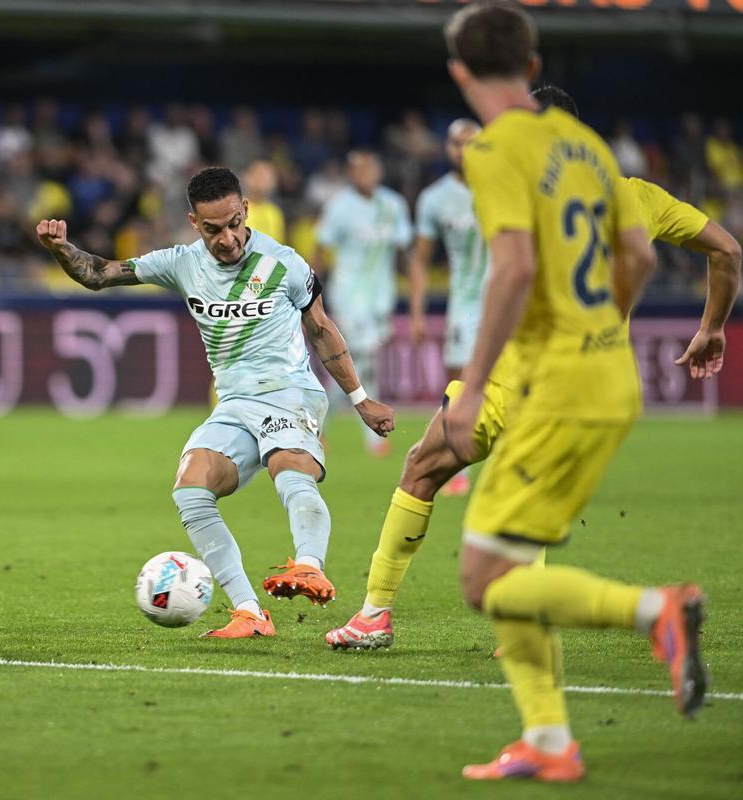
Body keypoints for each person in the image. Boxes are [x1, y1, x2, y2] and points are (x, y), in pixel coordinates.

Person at [327, 83, 740, 653]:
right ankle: (530, 641)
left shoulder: (527, 189)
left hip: (520, 371)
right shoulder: (637, 195)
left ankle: (376, 613)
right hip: (591, 386)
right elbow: (727, 251)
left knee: (422, 470)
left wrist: (476, 378)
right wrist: (712, 327)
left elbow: (513, 274)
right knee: (527, 507)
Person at [432, 3, 711, 781]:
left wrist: (473, 386)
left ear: (459, 73)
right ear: (530, 66)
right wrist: (596, 328)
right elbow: (641, 257)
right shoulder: (587, 148)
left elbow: (515, 267)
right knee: (510, 565)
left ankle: (656, 612)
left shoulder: (496, 149)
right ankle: (549, 741)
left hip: (555, 386)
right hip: (610, 376)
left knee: (484, 579)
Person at [36, 167, 394, 638]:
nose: (227, 239)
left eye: (233, 224)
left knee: (287, 465)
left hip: (289, 391)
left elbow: (322, 330)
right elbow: (100, 274)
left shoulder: (284, 263)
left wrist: (361, 400)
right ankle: (249, 612)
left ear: (245, 210)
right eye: (212, 230)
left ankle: (310, 565)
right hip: (234, 402)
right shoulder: (181, 263)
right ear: (194, 223)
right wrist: (62, 250)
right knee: (190, 485)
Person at [407, 117, 487, 496]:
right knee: (460, 388)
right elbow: (420, 259)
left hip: (509, 304)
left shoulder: (507, 185)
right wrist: (417, 313)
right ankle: (456, 469)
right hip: (465, 306)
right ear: (447, 148)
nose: (464, 150)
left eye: (472, 142)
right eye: (457, 143)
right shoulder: (434, 199)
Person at [316, 150, 411, 457]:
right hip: (348, 295)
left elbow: (404, 252)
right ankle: (375, 437)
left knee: (356, 365)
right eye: (359, 170)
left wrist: (411, 292)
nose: (366, 174)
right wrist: (310, 295)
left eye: (370, 168)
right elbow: (321, 249)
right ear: (351, 173)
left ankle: (317, 425)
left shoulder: (393, 205)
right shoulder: (339, 206)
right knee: (365, 359)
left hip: (380, 297)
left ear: (379, 171)